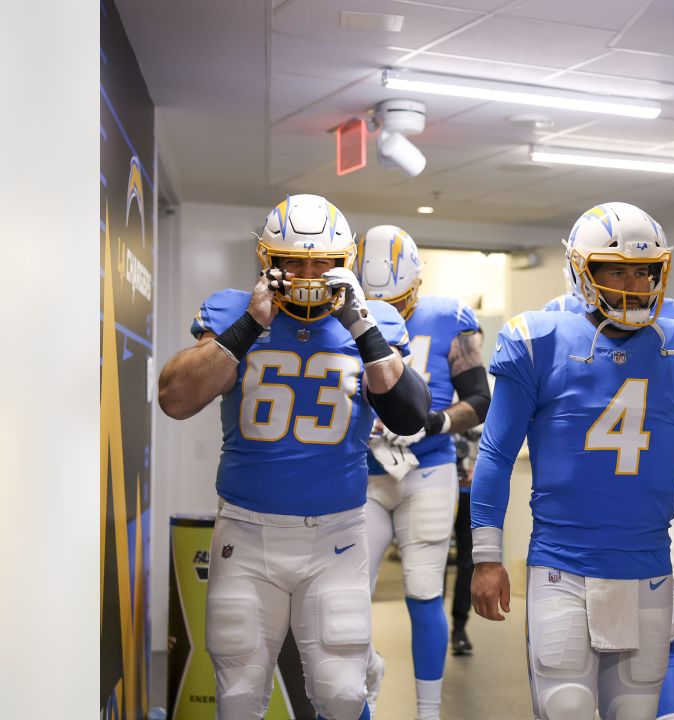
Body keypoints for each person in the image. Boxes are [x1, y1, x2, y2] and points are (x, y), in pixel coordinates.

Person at [471, 202, 674, 720]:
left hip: (646, 565)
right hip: (562, 564)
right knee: (568, 710)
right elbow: (495, 454)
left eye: (643, 270)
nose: (633, 282)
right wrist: (486, 555)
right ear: (584, 273)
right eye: (616, 268)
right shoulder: (538, 340)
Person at [157, 194, 431, 720]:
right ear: (269, 262)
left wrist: (362, 328)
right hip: (245, 530)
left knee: (342, 694)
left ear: (344, 262)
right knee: (238, 697)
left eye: (322, 262)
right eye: (294, 262)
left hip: (336, 534)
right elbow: (175, 397)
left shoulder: (372, 322)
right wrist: (250, 326)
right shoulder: (234, 310)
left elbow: (410, 416)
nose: (309, 273)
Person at [541, 291, 674, 720]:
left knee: (572, 662)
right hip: (658, 502)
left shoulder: (553, 320)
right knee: (661, 644)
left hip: (579, 516)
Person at [354, 226, 490, 720]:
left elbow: (479, 399)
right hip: (365, 472)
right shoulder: (341, 314)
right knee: (348, 595)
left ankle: (428, 712)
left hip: (428, 468)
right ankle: (359, 686)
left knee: (423, 589)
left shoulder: (450, 318)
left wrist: (433, 421)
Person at [451, 424, 484, 656]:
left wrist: (480, 467)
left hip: (469, 493)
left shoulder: (481, 397)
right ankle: (433, 625)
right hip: (433, 486)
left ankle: (459, 628)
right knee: (434, 561)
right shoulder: (434, 392)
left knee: (467, 562)